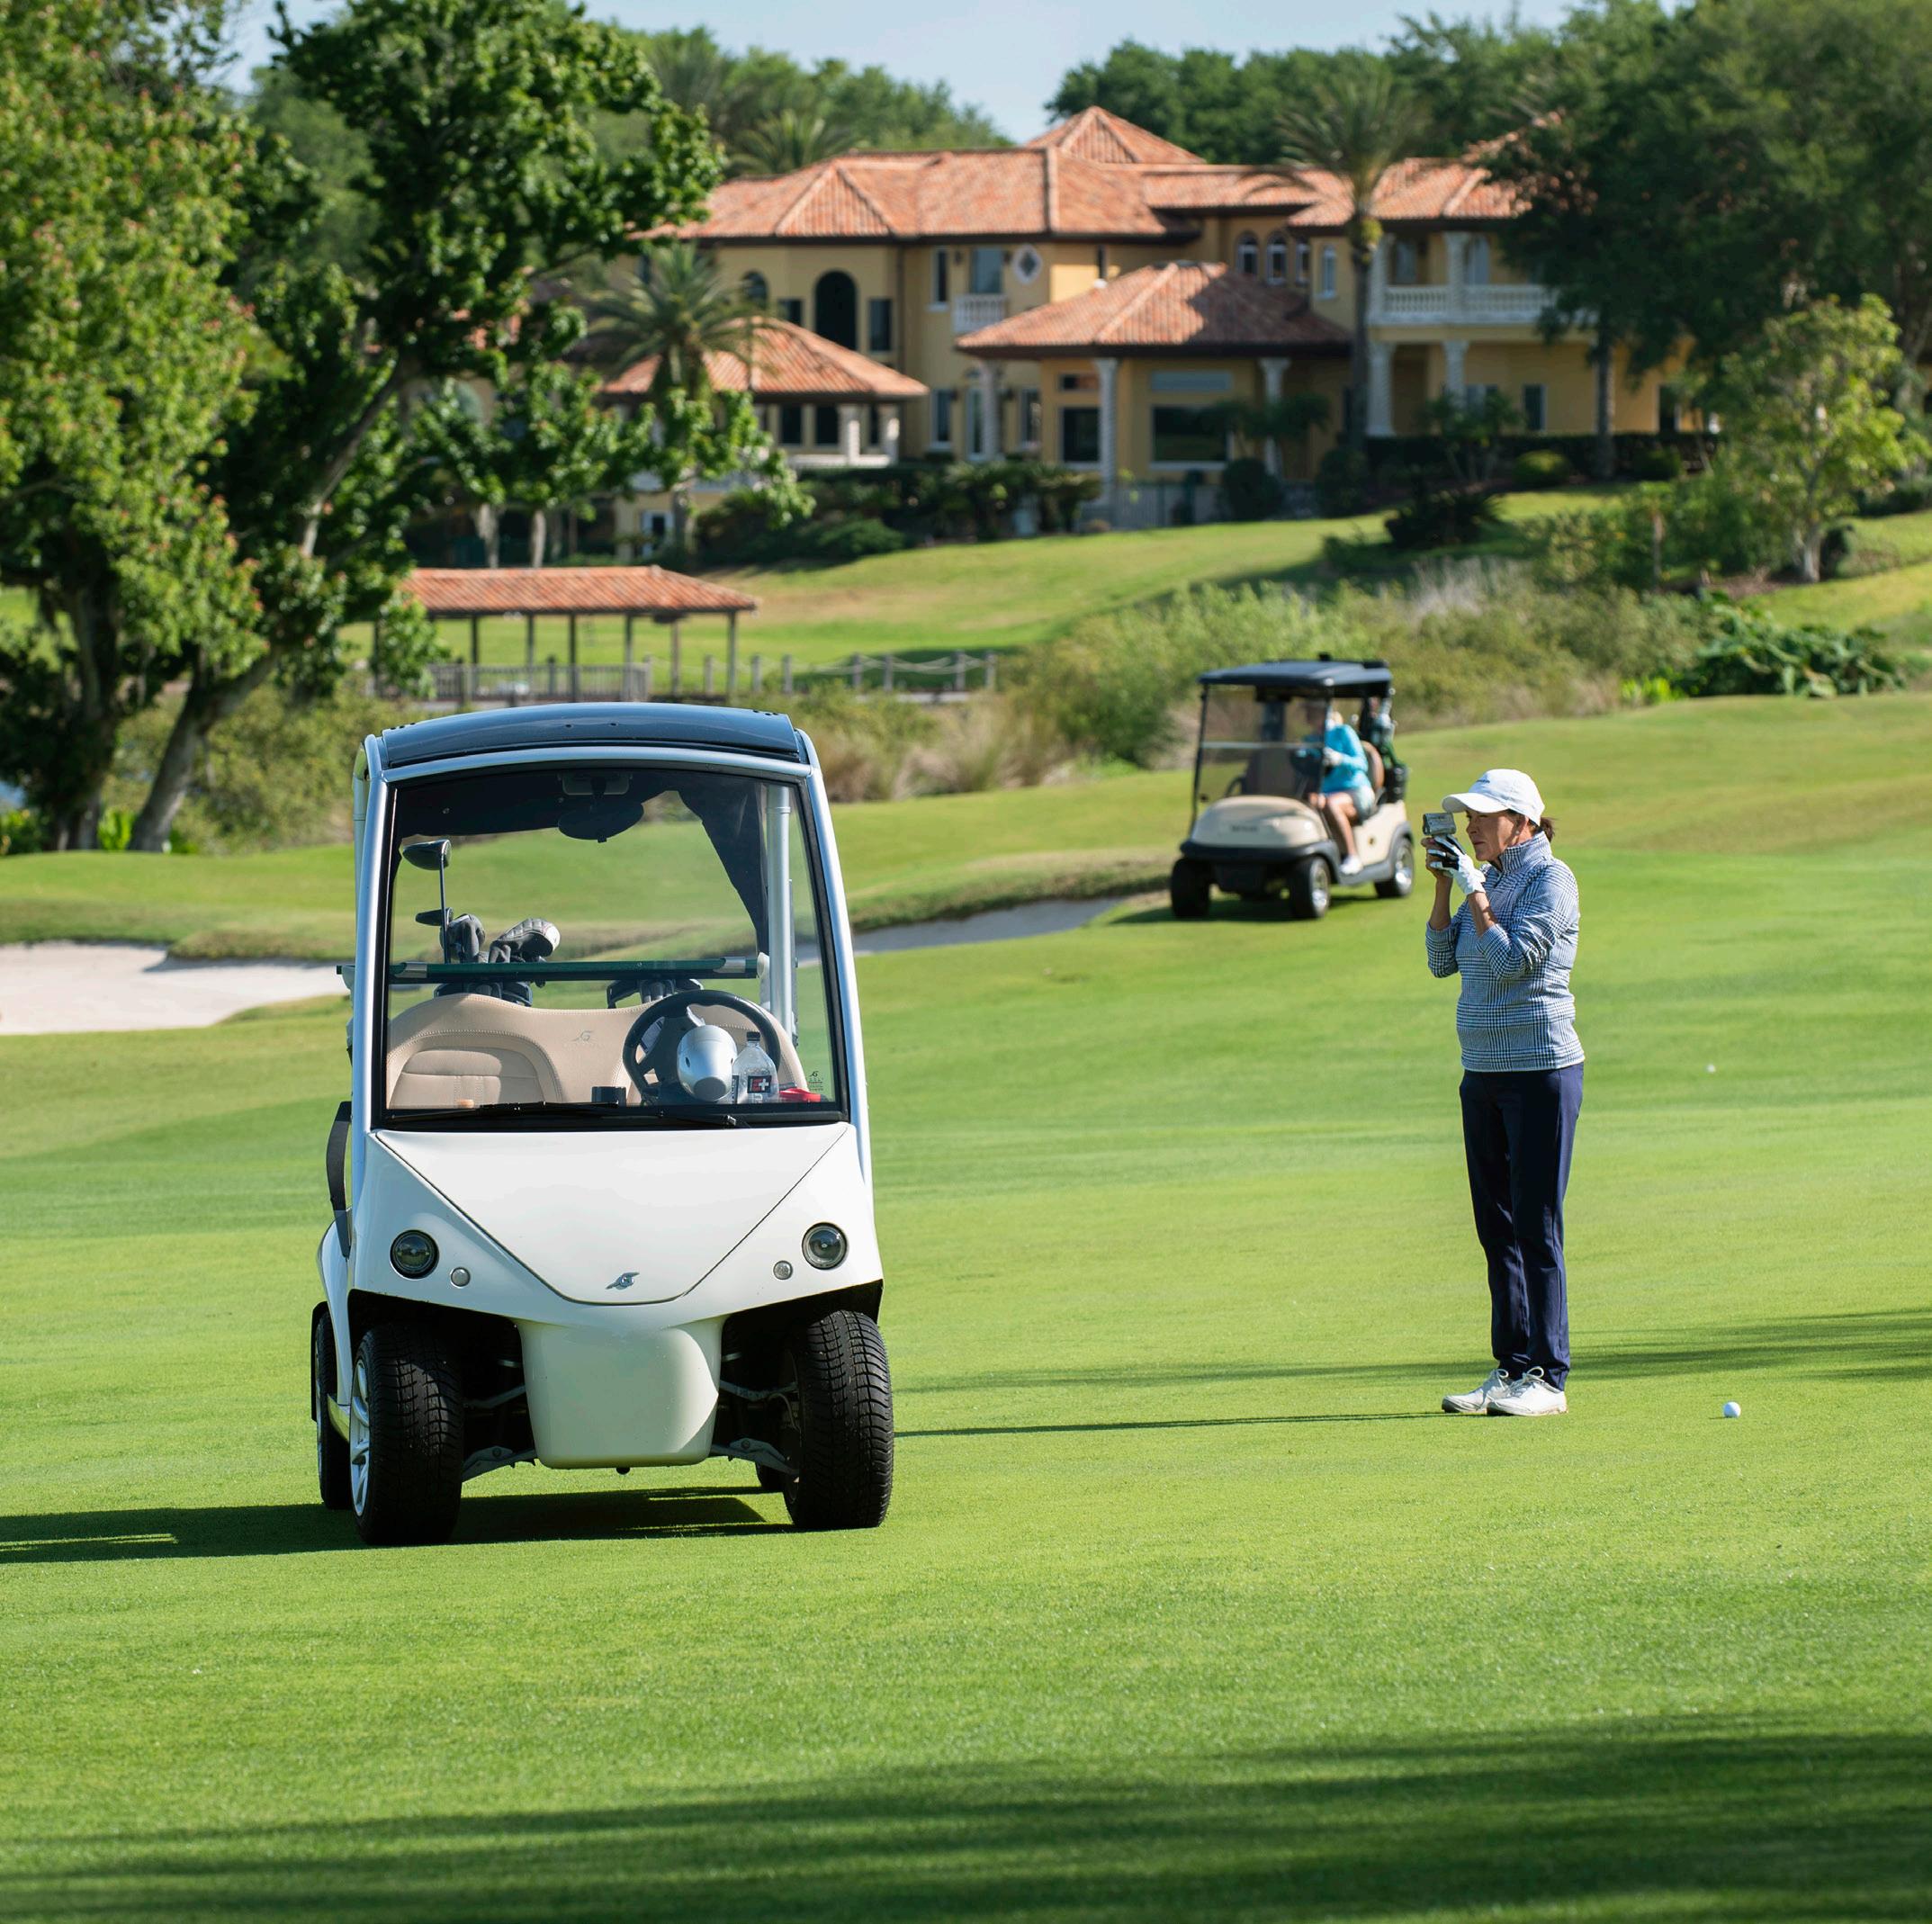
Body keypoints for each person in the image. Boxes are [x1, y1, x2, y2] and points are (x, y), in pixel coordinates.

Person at [1424, 769, 1583, 1417]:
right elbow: (1442, 961)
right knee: (1496, 1227)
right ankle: (1512, 1367)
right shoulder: (1479, 880)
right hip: (1482, 1072)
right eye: (1468, 817)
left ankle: (1548, 1377)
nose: (1471, 826)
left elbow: (1513, 961)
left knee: (1535, 1224)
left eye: (1483, 816)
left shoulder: (1551, 879)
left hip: (1541, 1070)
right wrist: (1447, 886)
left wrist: (1473, 889)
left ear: (1522, 821)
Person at [1298, 697, 1374, 878]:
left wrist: (1340, 759)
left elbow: (1361, 763)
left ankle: (1352, 856)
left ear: (1323, 712)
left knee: (1332, 804)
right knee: (1309, 803)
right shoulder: (1310, 739)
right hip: (1327, 792)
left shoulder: (1343, 732)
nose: (1308, 715)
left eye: (1312, 711)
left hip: (1356, 790)